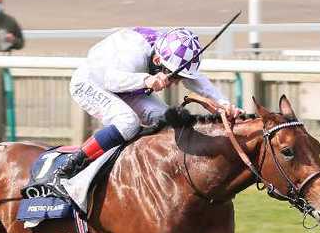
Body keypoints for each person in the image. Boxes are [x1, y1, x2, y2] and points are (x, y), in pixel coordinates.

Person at [54, 26, 244, 183]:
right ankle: (75, 163)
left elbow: (198, 81)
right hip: (92, 83)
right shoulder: (134, 53)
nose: (177, 81)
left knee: (167, 120)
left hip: (128, 85)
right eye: (175, 76)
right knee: (127, 122)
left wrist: (224, 104)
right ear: (157, 60)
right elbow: (111, 81)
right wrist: (147, 80)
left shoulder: (169, 52)